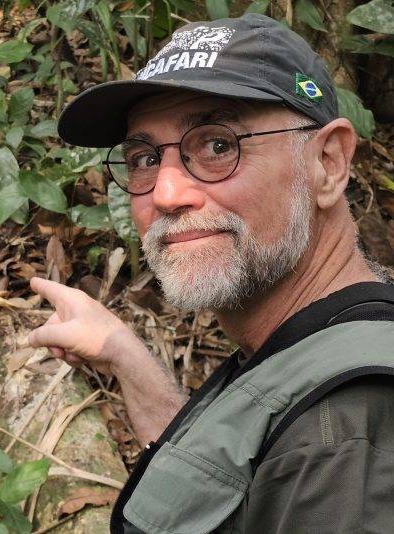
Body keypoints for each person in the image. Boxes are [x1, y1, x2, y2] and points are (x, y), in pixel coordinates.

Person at [27, 13, 394, 534]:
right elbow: (225, 490)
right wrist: (124, 356)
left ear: (328, 163)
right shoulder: (309, 349)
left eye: (218, 145)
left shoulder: (345, 428)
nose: (165, 194)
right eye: (143, 158)